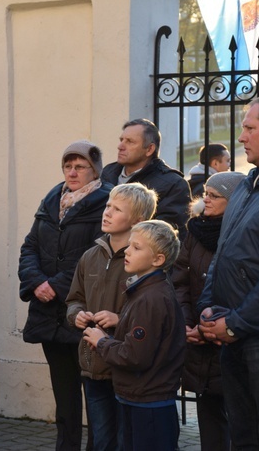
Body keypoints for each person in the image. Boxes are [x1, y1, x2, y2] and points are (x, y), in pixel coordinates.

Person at [19, 140, 111, 451]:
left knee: (95, 394)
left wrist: (55, 286)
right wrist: (35, 282)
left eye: (80, 166)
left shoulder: (106, 203)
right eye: (68, 166)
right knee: (63, 394)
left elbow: (95, 255)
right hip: (48, 314)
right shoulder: (50, 201)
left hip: (82, 311)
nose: (72, 172)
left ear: (94, 170)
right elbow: (30, 246)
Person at [198, 95, 259, 449]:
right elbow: (222, 254)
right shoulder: (246, 185)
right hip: (231, 332)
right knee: (242, 435)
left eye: (249, 128)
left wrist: (236, 323)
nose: (241, 138)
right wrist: (208, 307)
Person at [66, 183, 158, 451]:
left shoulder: (145, 260)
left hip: (128, 369)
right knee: (101, 440)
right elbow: (74, 298)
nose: (107, 212)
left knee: (126, 441)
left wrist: (119, 319)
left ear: (138, 220)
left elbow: (155, 310)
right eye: (108, 205)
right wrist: (77, 315)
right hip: (93, 365)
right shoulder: (90, 256)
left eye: (117, 209)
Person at [83, 220, 184, 451]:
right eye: (129, 245)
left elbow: (135, 356)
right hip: (138, 398)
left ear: (158, 260)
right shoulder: (143, 291)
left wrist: (102, 342)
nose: (127, 251)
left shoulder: (151, 298)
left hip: (149, 404)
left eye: (137, 248)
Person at [173, 171, 244, 451]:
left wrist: (217, 326)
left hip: (231, 338)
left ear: (234, 200)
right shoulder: (195, 231)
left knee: (241, 421)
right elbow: (179, 279)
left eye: (215, 196)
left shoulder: (244, 233)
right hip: (198, 340)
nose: (206, 200)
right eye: (206, 194)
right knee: (209, 418)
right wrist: (188, 324)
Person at [101, 119, 192, 240]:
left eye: (130, 142)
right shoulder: (108, 172)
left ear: (149, 149)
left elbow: (166, 236)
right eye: (121, 140)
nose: (120, 146)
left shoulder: (173, 184)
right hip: (101, 252)